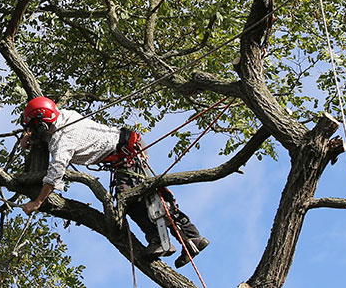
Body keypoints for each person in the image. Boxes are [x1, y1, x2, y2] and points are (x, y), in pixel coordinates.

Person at [17, 96, 209, 267]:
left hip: (127, 152)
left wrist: (38, 202)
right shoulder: (64, 117)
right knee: (141, 201)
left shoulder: (63, 140)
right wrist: (32, 137)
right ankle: (181, 239)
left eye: (35, 127)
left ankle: (175, 239)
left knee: (135, 200)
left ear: (43, 123)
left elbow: (55, 173)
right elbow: (48, 131)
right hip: (124, 152)